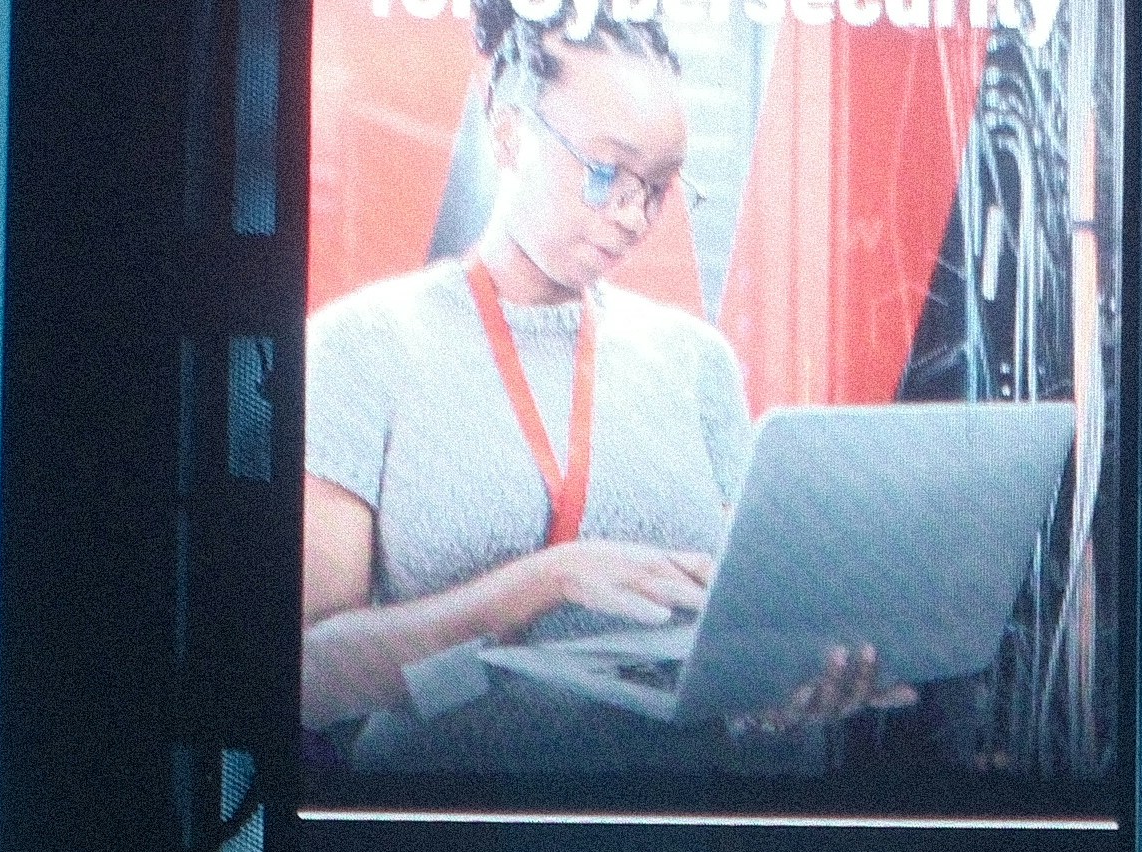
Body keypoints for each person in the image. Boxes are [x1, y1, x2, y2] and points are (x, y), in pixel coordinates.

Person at [296, 6, 891, 777]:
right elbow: (308, 677)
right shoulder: (362, 347)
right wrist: (545, 582)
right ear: (509, 131)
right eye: (607, 171)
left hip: (695, 827)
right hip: (451, 830)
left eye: (661, 187)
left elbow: (735, 642)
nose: (633, 214)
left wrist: (783, 695)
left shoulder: (695, 360)